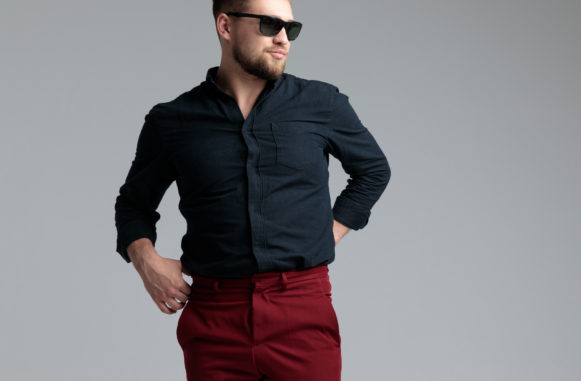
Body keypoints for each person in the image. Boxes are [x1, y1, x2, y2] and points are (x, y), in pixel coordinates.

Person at [113, 0, 391, 379]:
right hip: (213, 317)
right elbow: (133, 204)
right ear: (225, 26)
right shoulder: (173, 120)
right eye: (269, 24)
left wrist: (327, 235)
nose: (283, 39)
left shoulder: (321, 103)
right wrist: (146, 262)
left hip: (302, 308)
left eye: (291, 29)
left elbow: (373, 170)